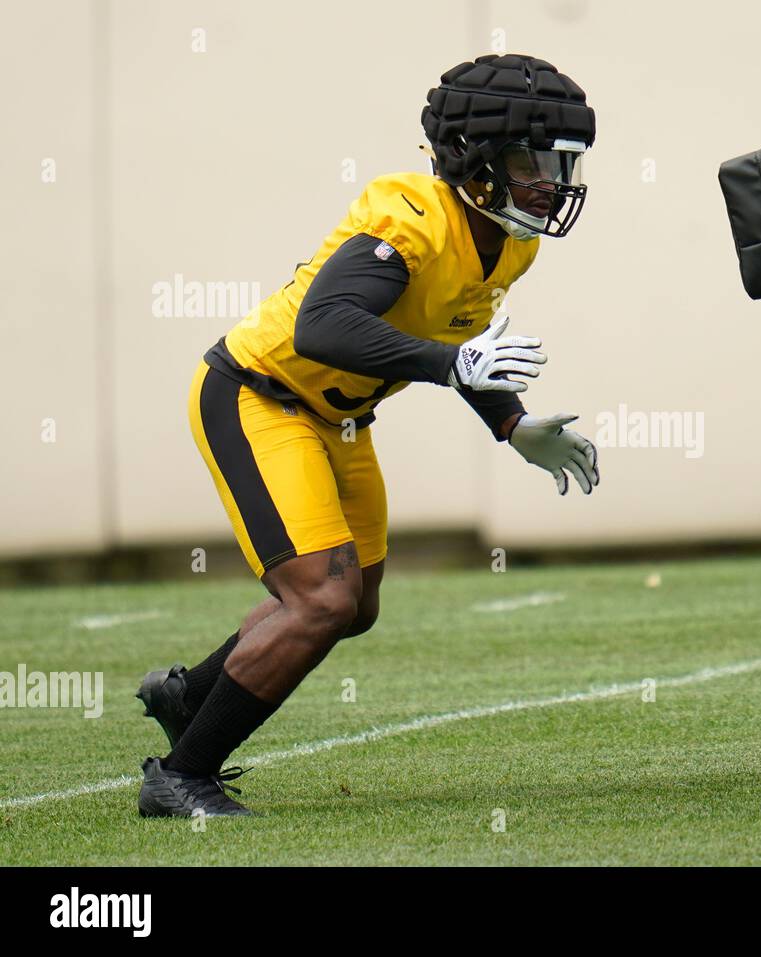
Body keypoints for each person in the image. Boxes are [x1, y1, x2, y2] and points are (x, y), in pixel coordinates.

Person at [135, 54, 599, 817]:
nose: (551, 181)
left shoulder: (511, 241)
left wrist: (512, 423)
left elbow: (464, 336)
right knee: (320, 598)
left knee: (356, 606)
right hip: (260, 393)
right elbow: (324, 327)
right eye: (533, 161)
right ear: (478, 163)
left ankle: (189, 693)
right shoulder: (409, 217)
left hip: (338, 416)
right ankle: (180, 775)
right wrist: (454, 367)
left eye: (560, 163)